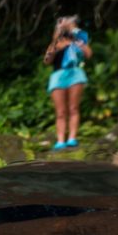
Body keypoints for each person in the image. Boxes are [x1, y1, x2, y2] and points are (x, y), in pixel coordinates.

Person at [43, 16, 92, 150]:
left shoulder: (78, 41)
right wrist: (56, 40)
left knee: (73, 108)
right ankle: (60, 141)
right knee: (60, 112)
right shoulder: (56, 43)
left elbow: (88, 54)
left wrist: (74, 33)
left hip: (75, 74)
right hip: (58, 76)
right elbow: (47, 61)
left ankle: (72, 138)